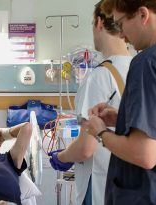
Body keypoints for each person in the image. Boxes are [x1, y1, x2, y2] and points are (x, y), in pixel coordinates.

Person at [86, 0, 156, 204]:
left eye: (120, 24)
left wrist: (101, 132)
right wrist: (124, 119)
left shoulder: (150, 62)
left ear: (143, 15)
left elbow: (146, 154)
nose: (121, 35)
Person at [48, 1, 132, 204]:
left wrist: (62, 158)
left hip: (100, 187)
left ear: (99, 23)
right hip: (130, 183)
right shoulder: (140, 67)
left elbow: (86, 148)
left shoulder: (99, 77)